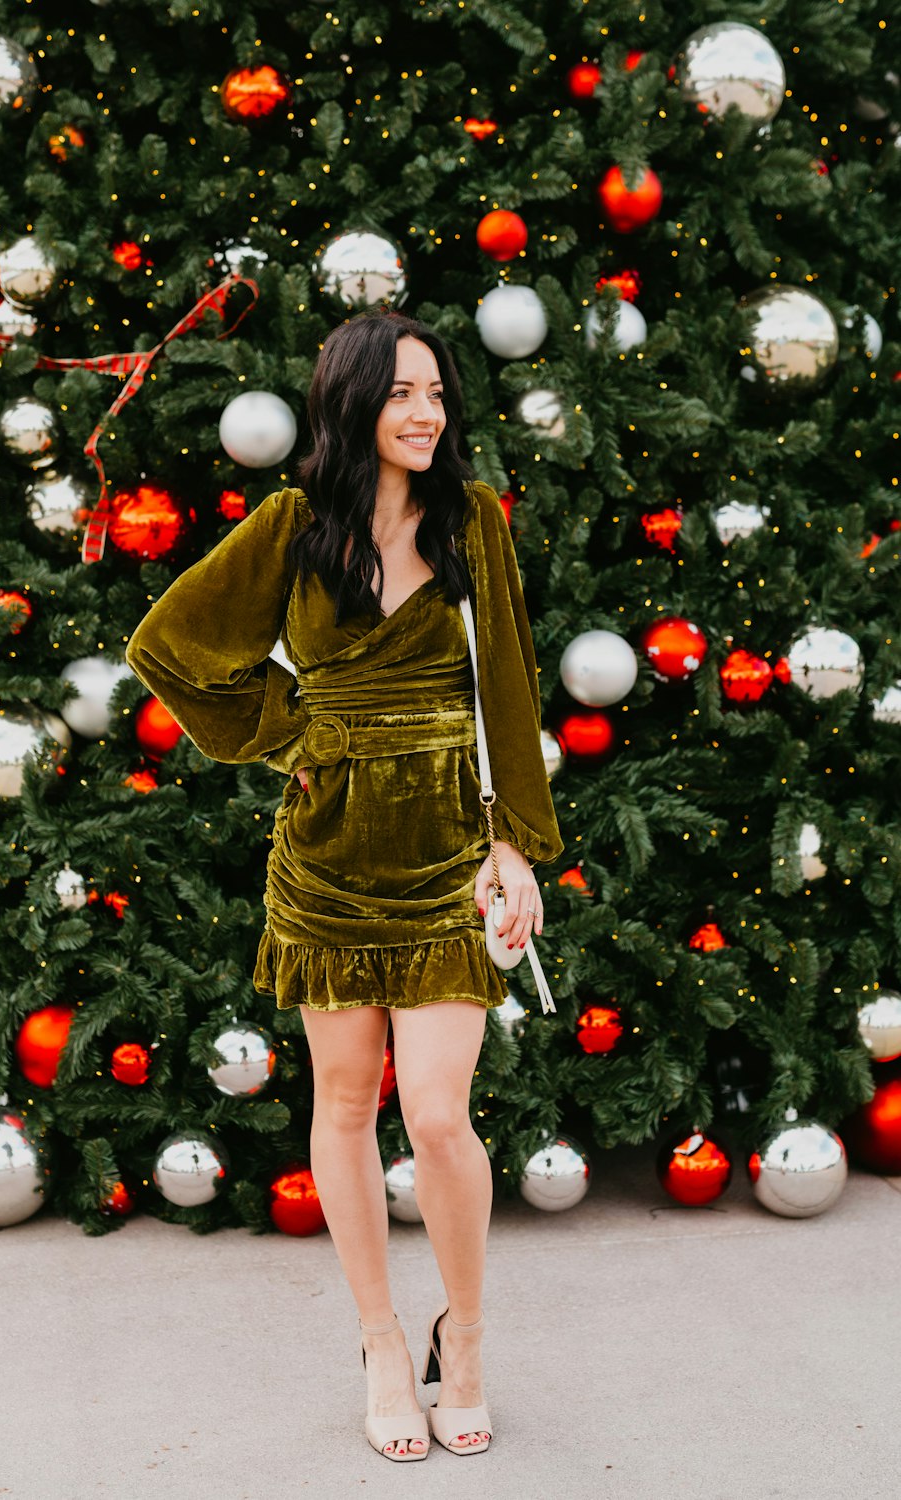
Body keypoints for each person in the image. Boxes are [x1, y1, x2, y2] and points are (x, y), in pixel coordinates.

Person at [125, 309, 563, 1462]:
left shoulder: (472, 525)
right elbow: (167, 647)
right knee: (342, 1108)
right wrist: (286, 731)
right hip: (324, 857)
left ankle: (460, 1336)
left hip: (441, 856)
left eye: (438, 395)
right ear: (353, 401)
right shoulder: (290, 528)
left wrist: (513, 844)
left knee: (435, 1114)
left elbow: (507, 690)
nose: (427, 414)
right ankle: (380, 1342)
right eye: (404, 393)